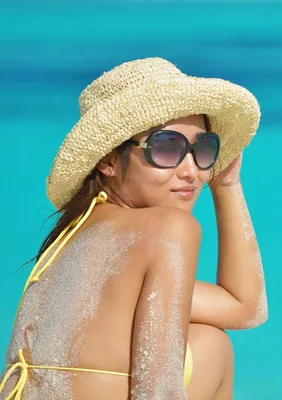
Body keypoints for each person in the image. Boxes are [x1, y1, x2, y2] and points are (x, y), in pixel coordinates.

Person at [0, 57, 268, 400]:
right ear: (108, 159)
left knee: (208, 342)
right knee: (214, 349)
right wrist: (228, 190)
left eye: (203, 149)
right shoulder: (170, 228)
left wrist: (226, 182)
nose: (191, 171)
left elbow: (243, 307)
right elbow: (158, 390)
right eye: (166, 147)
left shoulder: (67, 243)